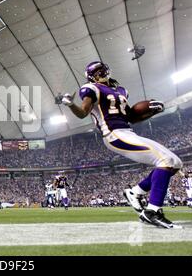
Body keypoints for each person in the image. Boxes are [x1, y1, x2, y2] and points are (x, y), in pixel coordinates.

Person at [61, 61, 182, 228]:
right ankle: (152, 211)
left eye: (101, 70)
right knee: (165, 161)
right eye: (96, 72)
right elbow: (82, 113)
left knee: (175, 163)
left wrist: (152, 111)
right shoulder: (91, 88)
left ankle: (136, 192)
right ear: (91, 76)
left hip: (127, 131)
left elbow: (131, 117)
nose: (100, 74)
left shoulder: (121, 90)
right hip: (113, 134)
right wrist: (70, 104)